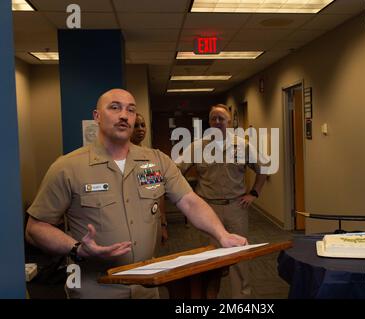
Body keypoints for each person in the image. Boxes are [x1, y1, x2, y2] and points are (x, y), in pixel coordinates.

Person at [25, 89, 247, 299]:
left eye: (130, 109)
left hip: (146, 285)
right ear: (97, 116)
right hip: (95, 287)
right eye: (114, 107)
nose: (124, 115)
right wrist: (77, 248)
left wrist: (221, 234)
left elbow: (189, 201)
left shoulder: (157, 160)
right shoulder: (67, 167)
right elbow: (35, 228)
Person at [177, 104, 268, 299]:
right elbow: (175, 173)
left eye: (221, 119)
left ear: (230, 123)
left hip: (236, 208)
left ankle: (241, 299)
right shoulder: (197, 146)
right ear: (209, 122)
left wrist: (254, 193)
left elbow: (263, 169)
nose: (217, 122)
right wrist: (189, 196)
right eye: (213, 118)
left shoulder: (243, 146)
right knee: (209, 259)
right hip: (207, 210)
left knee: (240, 257)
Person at [131, 113, 169, 247]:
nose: (140, 129)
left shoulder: (150, 157)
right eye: (135, 126)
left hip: (149, 219)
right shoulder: (117, 157)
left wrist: (163, 224)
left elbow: (158, 193)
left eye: (143, 125)